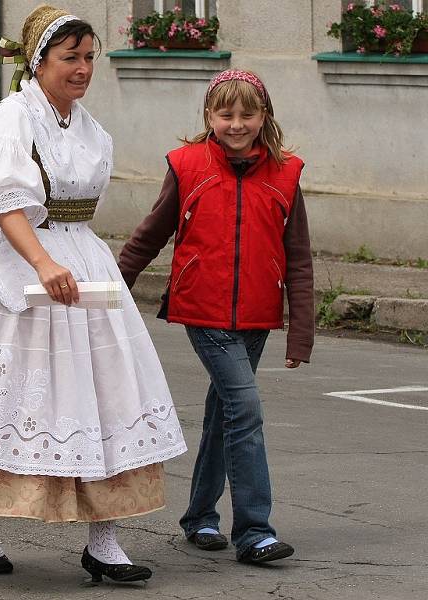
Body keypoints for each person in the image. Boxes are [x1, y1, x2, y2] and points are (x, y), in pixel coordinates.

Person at [0, 4, 186, 581]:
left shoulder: (87, 127)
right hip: (14, 261)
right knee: (8, 397)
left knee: (104, 392)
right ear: (39, 63)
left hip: (81, 257)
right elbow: (4, 203)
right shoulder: (13, 118)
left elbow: (76, 210)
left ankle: (105, 541)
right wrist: (41, 262)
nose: (83, 68)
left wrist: (68, 259)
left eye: (89, 57)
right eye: (71, 58)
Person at [118, 69, 314, 565]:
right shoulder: (187, 166)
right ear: (209, 117)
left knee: (223, 416)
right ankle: (254, 531)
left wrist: (301, 333)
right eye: (225, 114)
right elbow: (150, 234)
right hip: (202, 311)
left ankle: (200, 517)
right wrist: (114, 288)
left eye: (247, 113)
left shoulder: (286, 173)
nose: (236, 123)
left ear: (263, 116)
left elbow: (298, 257)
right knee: (244, 409)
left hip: (257, 313)